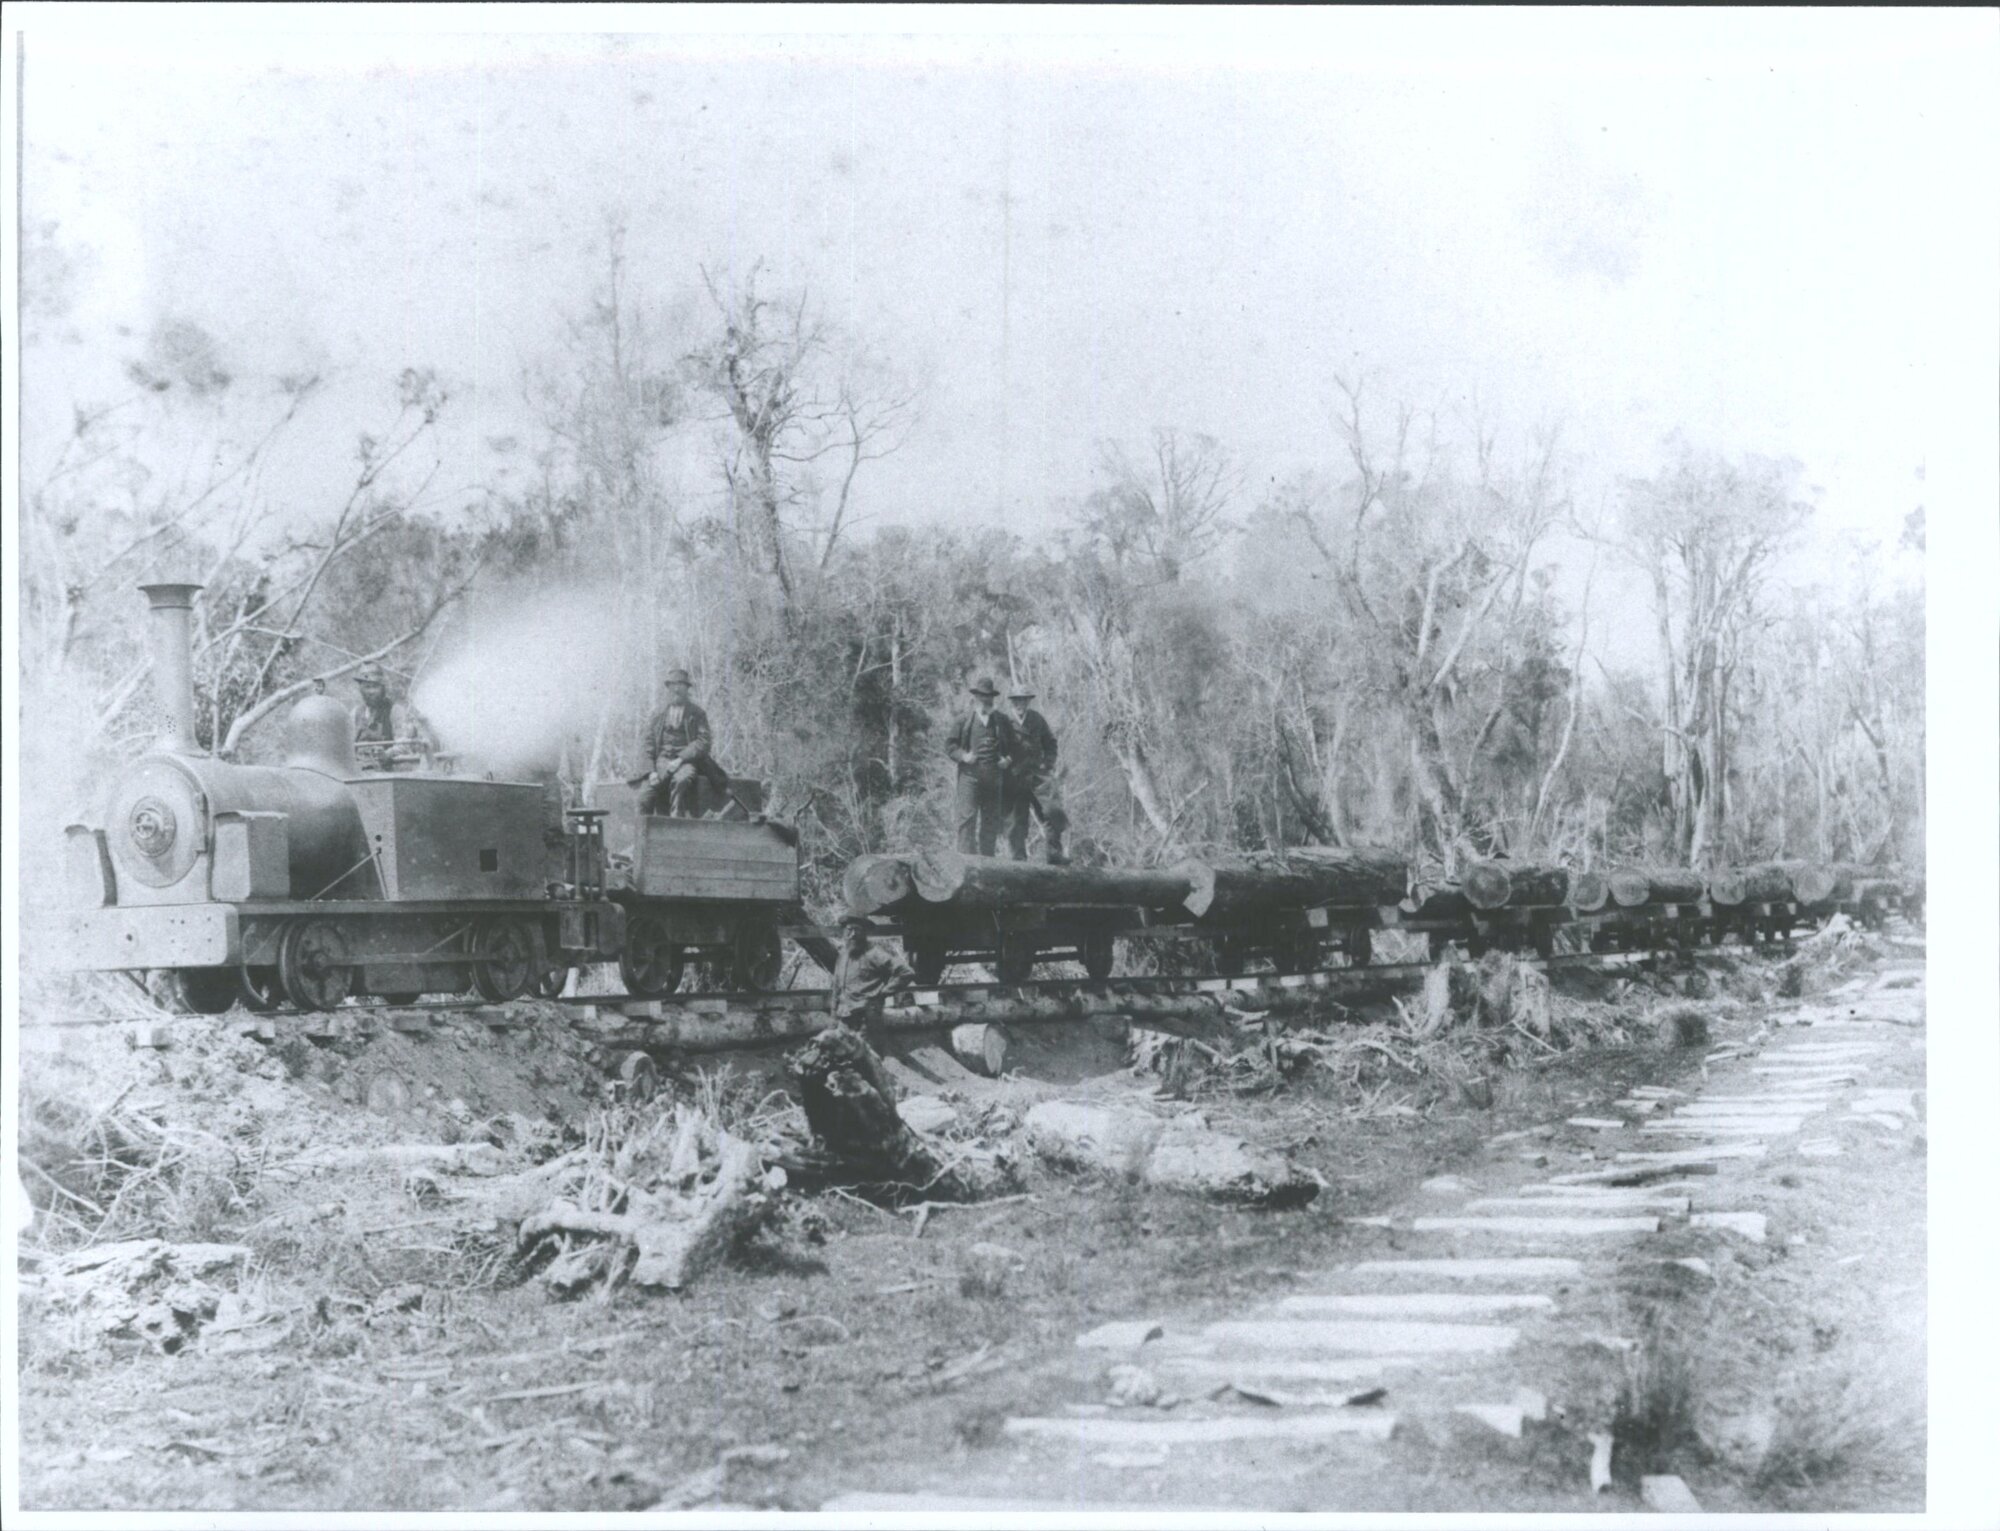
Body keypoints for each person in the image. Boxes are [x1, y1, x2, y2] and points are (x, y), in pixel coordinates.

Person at [946, 676, 1019, 856]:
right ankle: (964, 863)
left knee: (991, 821)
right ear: (975, 698)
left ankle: (987, 865)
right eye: (982, 697)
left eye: (989, 698)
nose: (985, 701)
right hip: (969, 777)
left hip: (994, 779)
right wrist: (964, 756)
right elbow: (949, 746)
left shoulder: (1002, 721)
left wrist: (1008, 760)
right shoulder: (963, 720)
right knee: (966, 820)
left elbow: (1016, 747)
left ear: (993, 699)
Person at [1004, 683, 1068, 864]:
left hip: (1038, 776)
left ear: (1028, 702)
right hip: (1015, 777)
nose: (1019, 704)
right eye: (1016, 700)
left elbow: (1051, 743)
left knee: (1052, 812)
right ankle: (1018, 860)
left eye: (1023, 700)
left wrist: (1048, 764)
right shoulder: (1004, 722)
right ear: (1011, 702)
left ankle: (1055, 855)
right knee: (1016, 822)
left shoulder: (1037, 719)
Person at [639, 668, 714, 817]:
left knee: (682, 781)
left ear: (687, 689)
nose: (676, 689)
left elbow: (704, 741)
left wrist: (681, 759)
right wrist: (651, 771)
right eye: (673, 685)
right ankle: (644, 836)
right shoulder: (658, 713)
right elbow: (647, 744)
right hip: (662, 762)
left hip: (686, 762)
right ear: (668, 688)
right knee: (644, 796)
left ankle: (675, 826)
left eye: (680, 685)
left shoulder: (697, 713)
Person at [830, 914, 916, 1030]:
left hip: (867, 1019)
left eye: (857, 930)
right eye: (849, 929)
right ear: (844, 933)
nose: (853, 934)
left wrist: (882, 993)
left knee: (867, 1048)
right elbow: (836, 987)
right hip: (844, 1019)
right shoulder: (842, 956)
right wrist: (833, 1015)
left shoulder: (875, 954)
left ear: (865, 933)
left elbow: (906, 972)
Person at [351, 662, 433, 768]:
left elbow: (404, 745)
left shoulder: (395, 711)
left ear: (382, 688)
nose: (371, 692)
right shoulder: (355, 713)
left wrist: (387, 754)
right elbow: (347, 744)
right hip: (359, 772)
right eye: (367, 687)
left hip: (388, 772)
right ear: (361, 689)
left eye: (375, 686)